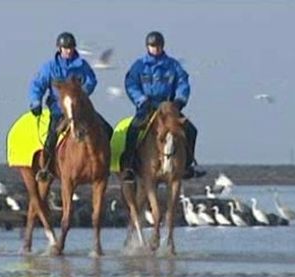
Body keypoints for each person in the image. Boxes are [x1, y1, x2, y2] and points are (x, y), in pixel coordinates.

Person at [121, 31, 205, 182]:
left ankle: (187, 165)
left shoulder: (173, 65)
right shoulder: (139, 66)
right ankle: (128, 166)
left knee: (191, 129)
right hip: (147, 105)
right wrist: (141, 99)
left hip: (169, 107)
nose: (155, 49)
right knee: (133, 128)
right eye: (152, 46)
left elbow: (182, 82)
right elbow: (131, 84)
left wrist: (180, 100)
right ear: (147, 47)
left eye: (158, 46)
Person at [28, 32, 113, 182]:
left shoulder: (82, 65)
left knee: (107, 129)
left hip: (82, 111)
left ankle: (105, 165)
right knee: (51, 139)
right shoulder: (50, 67)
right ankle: (46, 169)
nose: (68, 51)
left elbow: (91, 80)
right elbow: (37, 85)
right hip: (59, 110)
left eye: (71, 48)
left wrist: (81, 95)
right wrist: (35, 101)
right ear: (59, 48)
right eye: (65, 48)